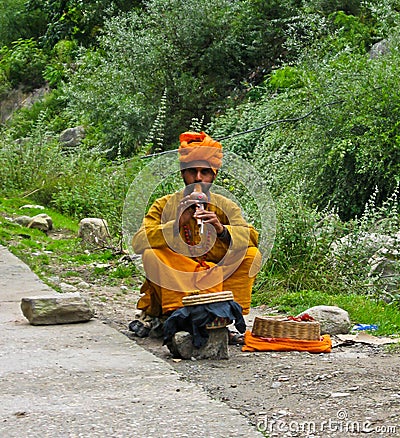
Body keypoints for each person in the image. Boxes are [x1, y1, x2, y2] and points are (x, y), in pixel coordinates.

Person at [130, 131, 261, 342]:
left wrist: (221, 229)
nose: (198, 178)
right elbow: (138, 242)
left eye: (205, 172)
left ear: (214, 176)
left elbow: (252, 236)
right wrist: (177, 223)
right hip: (181, 277)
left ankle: (220, 315)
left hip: (215, 276)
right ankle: (178, 315)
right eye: (192, 171)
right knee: (151, 254)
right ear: (183, 173)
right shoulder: (164, 205)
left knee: (250, 254)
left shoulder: (225, 206)